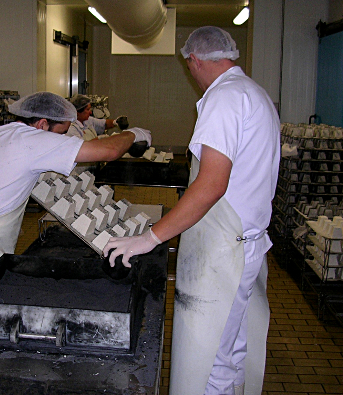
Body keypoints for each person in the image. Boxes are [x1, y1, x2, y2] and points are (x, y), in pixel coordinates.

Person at [103, 26, 280, 395]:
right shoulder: (255, 94)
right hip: (244, 244)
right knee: (230, 351)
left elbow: (212, 184)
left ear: (194, 61)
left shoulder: (225, 98)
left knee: (209, 360)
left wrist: (148, 239)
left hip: (223, 255)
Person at [0, 92, 151, 346]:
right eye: (61, 133)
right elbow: (110, 150)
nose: (63, 140)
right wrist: (135, 134)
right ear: (43, 125)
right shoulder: (30, 140)